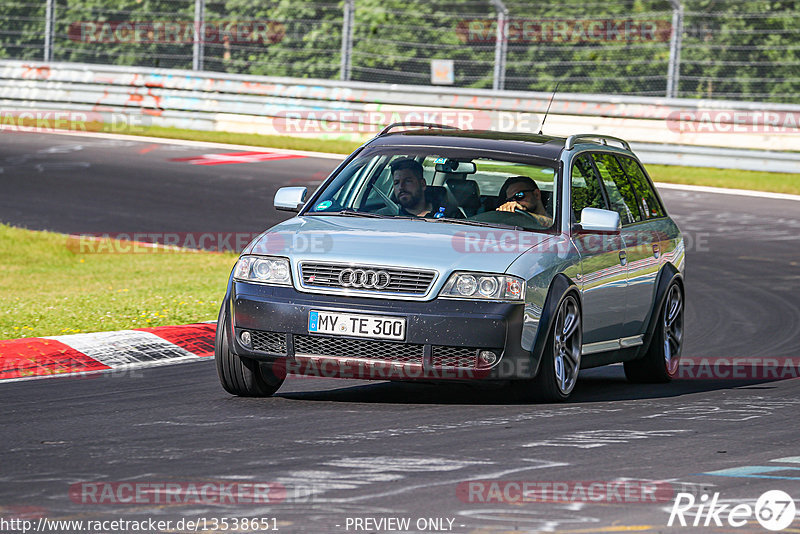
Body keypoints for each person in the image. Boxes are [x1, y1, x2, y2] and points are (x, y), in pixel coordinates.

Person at [390, 158, 462, 218]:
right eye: (396, 183)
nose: (401, 187)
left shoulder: (450, 215)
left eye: (408, 181)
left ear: (422, 184)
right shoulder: (386, 216)